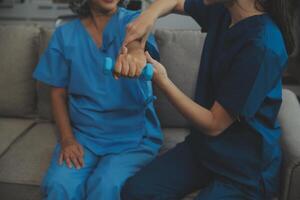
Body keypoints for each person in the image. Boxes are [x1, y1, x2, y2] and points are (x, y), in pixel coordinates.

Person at [119, 0, 295, 199]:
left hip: (244, 171)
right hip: (204, 150)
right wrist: (149, 16)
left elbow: (214, 124)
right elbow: (175, 1)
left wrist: (163, 80)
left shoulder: (263, 44)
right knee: (136, 191)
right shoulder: (223, 11)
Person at [32, 0, 162, 199]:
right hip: (85, 135)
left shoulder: (134, 21)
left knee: (105, 186)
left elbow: (137, 42)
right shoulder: (64, 35)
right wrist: (67, 140)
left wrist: (135, 55)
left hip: (134, 137)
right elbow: (57, 94)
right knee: (59, 185)